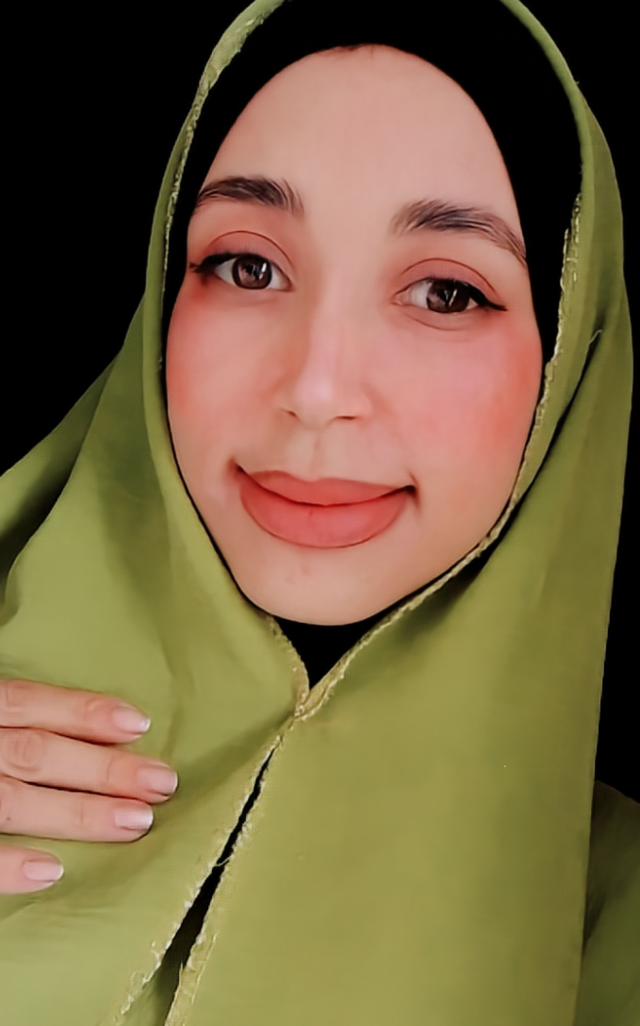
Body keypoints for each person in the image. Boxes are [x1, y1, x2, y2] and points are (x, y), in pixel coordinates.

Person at [1, 0, 637, 1023]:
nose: (317, 387)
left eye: (445, 292)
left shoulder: (610, 924)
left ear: (569, 360)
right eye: (248, 267)